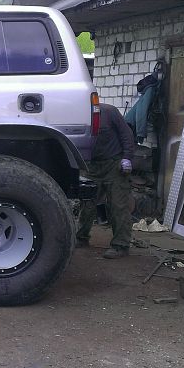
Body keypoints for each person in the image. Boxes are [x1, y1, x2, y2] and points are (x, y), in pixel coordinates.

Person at [77, 103, 135, 259]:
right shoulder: (77, 115)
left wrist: (127, 157)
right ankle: (80, 237)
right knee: (87, 204)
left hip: (114, 164)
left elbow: (126, 135)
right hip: (91, 166)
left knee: (118, 205)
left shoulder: (109, 112)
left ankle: (121, 245)